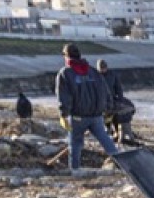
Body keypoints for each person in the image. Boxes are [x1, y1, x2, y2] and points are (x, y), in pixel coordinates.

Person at [56, 43, 119, 175]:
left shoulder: (65, 73)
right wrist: (109, 109)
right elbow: (105, 92)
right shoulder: (93, 71)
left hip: (78, 117)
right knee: (105, 140)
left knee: (75, 144)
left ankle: (75, 171)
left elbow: (64, 97)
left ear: (67, 57)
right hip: (96, 116)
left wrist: (63, 114)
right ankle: (122, 164)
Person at [97, 59, 137, 144]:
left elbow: (118, 88)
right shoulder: (96, 76)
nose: (103, 70)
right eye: (101, 68)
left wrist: (121, 100)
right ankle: (108, 130)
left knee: (127, 108)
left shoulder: (112, 75)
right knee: (107, 116)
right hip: (100, 101)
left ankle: (118, 132)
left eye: (104, 68)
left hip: (112, 99)